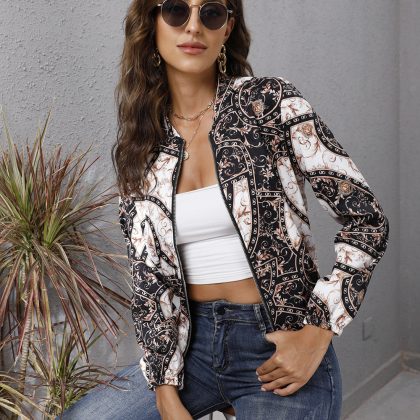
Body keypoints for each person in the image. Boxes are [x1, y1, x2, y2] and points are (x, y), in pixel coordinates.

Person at [61, 0, 390, 419]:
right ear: (152, 22)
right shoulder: (142, 143)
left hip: (277, 344)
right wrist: (164, 388)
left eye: (211, 12)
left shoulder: (269, 103)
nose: (193, 26)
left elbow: (367, 220)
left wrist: (318, 330)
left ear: (227, 28)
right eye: (176, 10)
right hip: (189, 351)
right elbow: (149, 278)